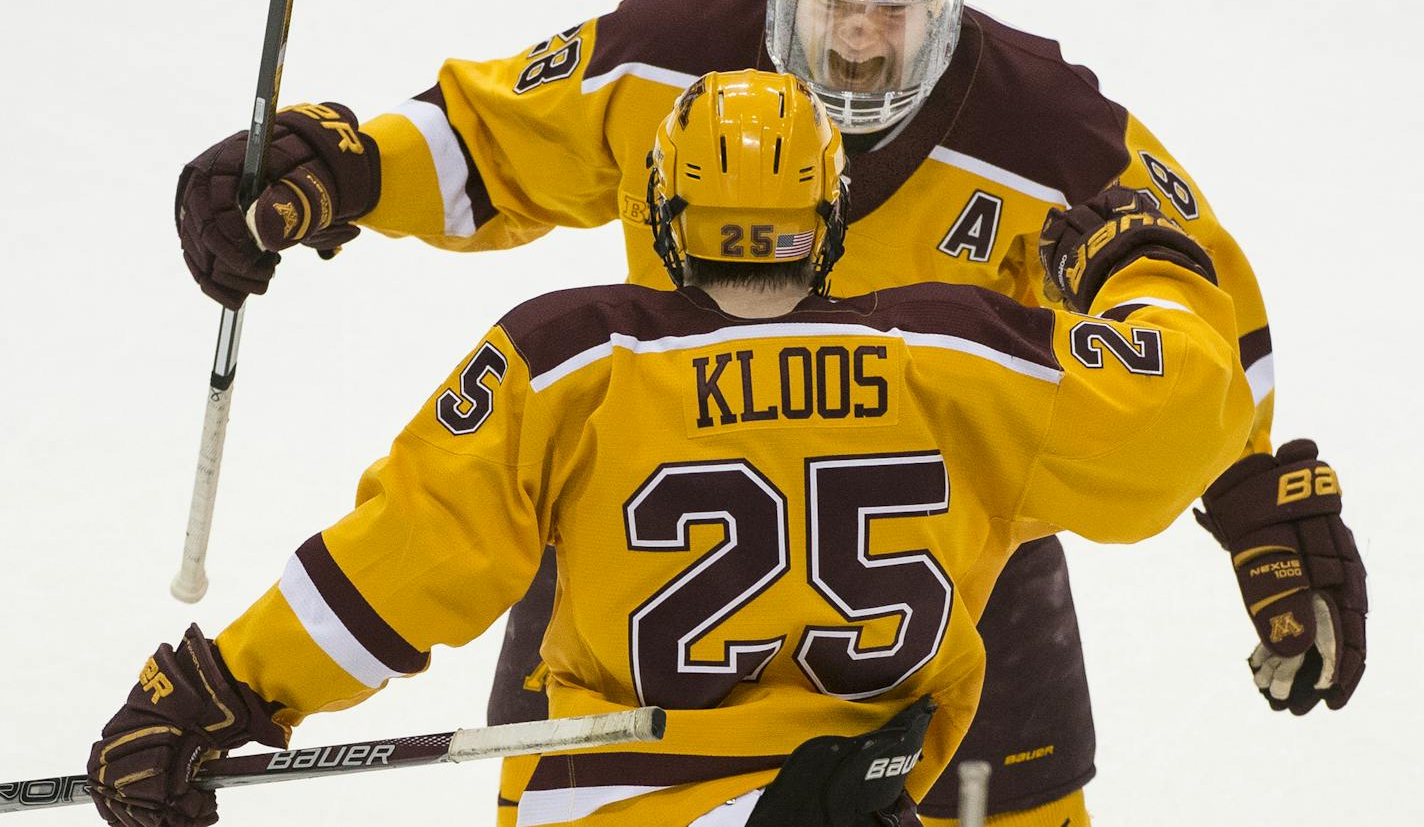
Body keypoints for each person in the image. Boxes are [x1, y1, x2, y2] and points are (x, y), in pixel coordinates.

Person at [174, 0, 1366, 826]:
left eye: (894, 1)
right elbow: (492, 139)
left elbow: (1203, 305)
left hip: (913, 566)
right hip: (777, 563)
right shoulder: (675, 48)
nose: (856, 33)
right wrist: (344, 169)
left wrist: (1251, 492)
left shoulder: (1043, 131)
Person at [102, 72, 1252, 827]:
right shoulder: (960, 357)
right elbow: (1182, 416)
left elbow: (408, 557)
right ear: (832, 210)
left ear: (660, 214)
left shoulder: (571, 360)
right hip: (864, 798)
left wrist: (224, 688)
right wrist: (1141, 265)